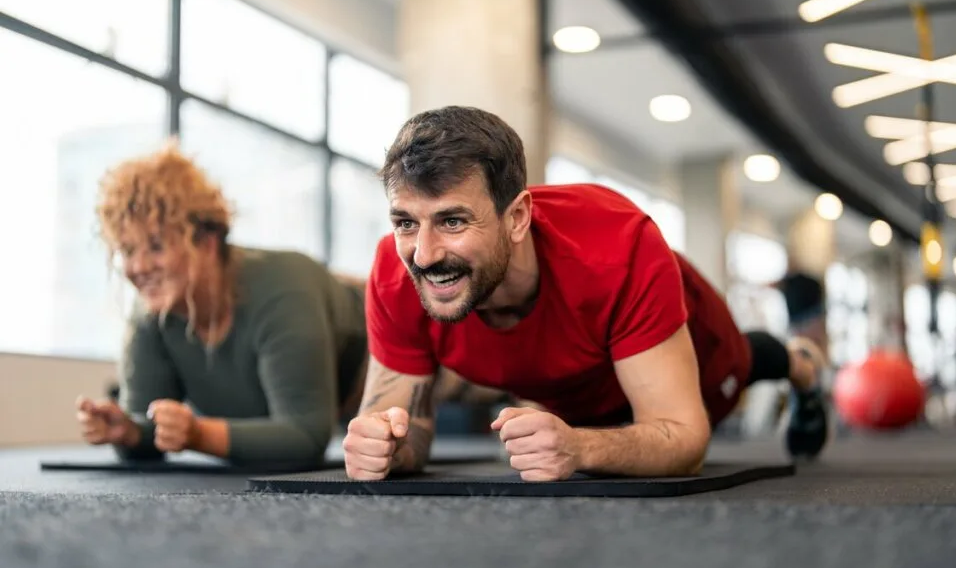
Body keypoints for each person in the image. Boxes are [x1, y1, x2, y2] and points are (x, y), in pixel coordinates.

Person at [342, 106, 830, 482]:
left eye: (452, 221)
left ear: (516, 218)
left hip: (693, 364)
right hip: (571, 393)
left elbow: (683, 435)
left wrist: (580, 449)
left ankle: (801, 365)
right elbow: (410, 430)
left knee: (749, 360)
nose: (424, 254)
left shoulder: (617, 248)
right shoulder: (396, 274)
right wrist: (383, 446)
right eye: (406, 222)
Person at [75, 143, 370, 467]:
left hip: (379, 331)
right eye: (128, 251)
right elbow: (148, 434)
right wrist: (127, 431)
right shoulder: (150, 314)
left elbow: (305, 436)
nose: (139, 267)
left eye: (156, 246)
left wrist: (197, 434)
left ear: (208, 241)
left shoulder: (283, 289)